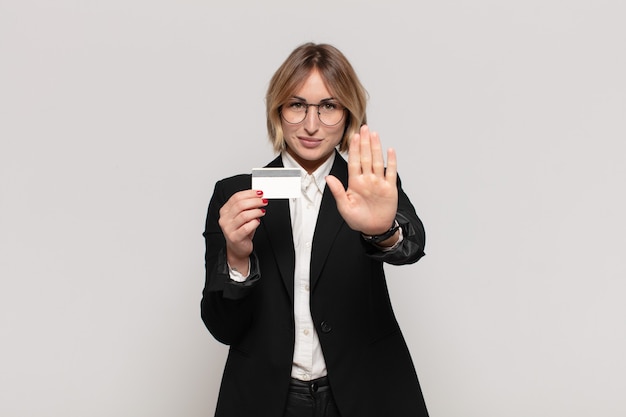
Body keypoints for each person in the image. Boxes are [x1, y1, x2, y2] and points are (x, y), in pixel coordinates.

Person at [201, 42, 429, 417]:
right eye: (297, 105)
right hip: (268, 398)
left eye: (328, 106)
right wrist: (237, 258)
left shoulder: (367, 183)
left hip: (364, 391)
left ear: (348, 113)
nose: (311, 125)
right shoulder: (235, 195)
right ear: (278, 110)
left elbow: (412, 246)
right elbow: (222, 327)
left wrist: (383, 231)